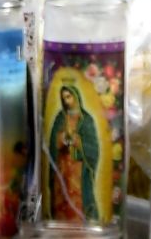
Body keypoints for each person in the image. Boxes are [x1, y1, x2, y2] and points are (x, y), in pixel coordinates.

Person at [47, 85, 100, 222]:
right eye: (64, 98)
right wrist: (61, 138)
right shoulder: (60, 118)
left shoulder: (86, 120)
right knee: (61, 200)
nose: (66, 101)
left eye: (68, 97)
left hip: (78, 171)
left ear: (76, 97)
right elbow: (53, 143)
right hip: (62, 169)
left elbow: (94, 149)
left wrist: (79, 142)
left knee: (78, 202)